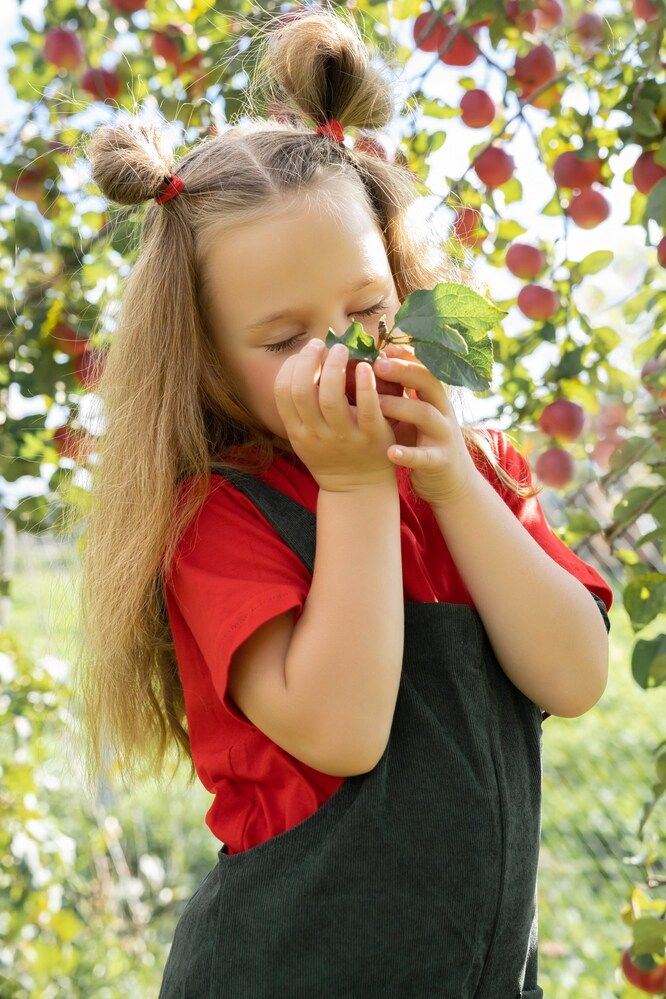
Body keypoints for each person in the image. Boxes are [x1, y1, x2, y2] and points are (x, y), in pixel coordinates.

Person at [75, 8, 613, 997]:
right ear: (205, 361)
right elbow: (345, 729)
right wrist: (359, 486)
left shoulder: (474, 472)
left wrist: (452, 478)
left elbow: (575, 676)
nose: (347, 351)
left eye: (368, 312)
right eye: (286, 341)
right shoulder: (220, 520)